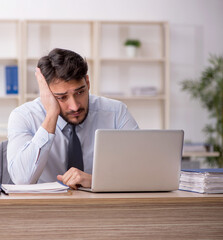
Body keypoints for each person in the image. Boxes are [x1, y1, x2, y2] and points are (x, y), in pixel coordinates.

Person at [7, 48, 139, 189]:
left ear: (87, 83)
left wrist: (95, 181)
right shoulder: (24, 116)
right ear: (47, 94)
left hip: (101, 206)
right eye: (62, 97)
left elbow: (142, 170)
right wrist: (51, 114)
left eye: (80, 92)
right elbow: (22, 180)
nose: (75, 106)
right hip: (46, 207)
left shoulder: (115, 112)